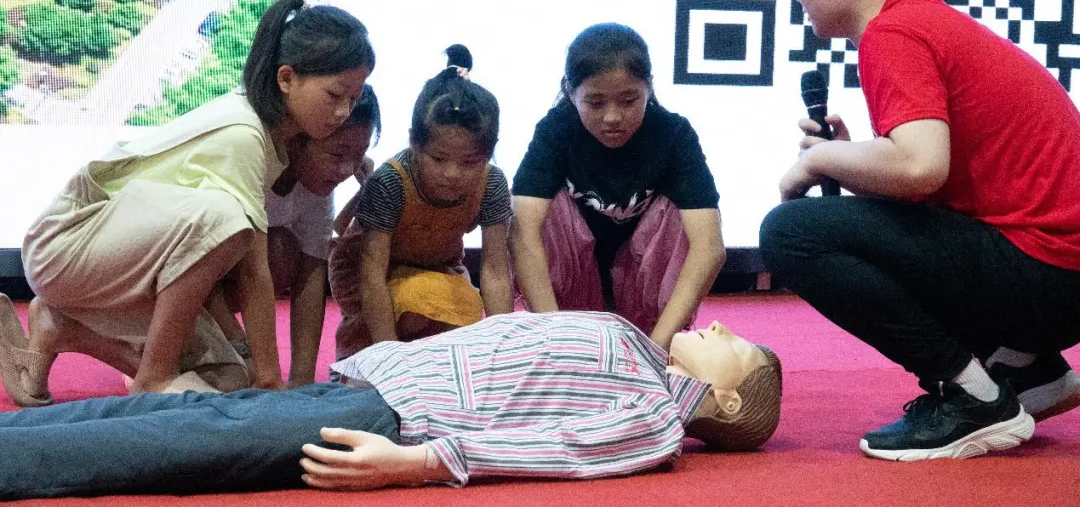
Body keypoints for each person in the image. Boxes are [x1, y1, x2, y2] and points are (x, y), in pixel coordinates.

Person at [758, 0, 1080, 461]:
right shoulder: (922, 19)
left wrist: (819, 161)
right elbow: (931, 183)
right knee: (838, 223)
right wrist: (856, 159)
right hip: (1057, 274)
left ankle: (975, 398)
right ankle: (1030, 373)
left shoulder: (892, 31)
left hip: (1050, 271)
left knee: (790, 232)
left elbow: (920, 167)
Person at [0, 0, 376, 404]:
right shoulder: (244, 134)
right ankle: (154, 375)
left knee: (229, 380)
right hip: (65, 246)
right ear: (286, 79)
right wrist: (270, 382)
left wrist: (269, 375)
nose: (343, 112)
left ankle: (59, 328)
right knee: (226, 218)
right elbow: (253, 272)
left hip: (116, 260)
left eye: (353, 99)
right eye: (334, 95)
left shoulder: (279, 140)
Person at [0, 311, 782, 499]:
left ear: (724, 398)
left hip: (397, 422)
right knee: (173, 418)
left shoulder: (656, 415)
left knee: (195, 437)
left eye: (733, 344)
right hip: (385, 386)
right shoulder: (641, 351)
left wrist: (421, 463)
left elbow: (563, 448)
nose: (718, 326)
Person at [510, 24, 725, 350]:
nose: (612, 118)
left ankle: (655, 337)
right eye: (595, 103)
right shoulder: (556, 130)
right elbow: (523, 234)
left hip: (643, 293)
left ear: (649, 87)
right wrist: (554, 337)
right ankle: (562, 335)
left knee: (689, 216)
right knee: (528, 213)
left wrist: (657, 349)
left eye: (628, 100)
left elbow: (709, 247)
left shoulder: (673, 134)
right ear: (571, 92)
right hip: (573, 296)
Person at [328, 45, 512, 359]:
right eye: (438, 159)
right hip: (366, 271)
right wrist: (390, 359)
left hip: (438, 267)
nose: (452, 174)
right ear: (414, 142)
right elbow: (372, 276)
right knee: (412, 306)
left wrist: (503, 348)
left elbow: (495, 270)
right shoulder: (391, 181)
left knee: (455, 318)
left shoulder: (492, 183)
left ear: (489, 151)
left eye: (469, 162)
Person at [207, 85, 381, 386]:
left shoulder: (317, 186)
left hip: (212, 284)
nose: (346, 170)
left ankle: (202, 344)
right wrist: (248, 356)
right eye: (337, 154)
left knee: (280, 250)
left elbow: (312, 277)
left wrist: (302, 381)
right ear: (298, 139)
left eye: (358, 157)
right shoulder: (250, 161)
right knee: (237, 379)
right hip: (171, 279)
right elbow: (203, 272)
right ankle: (164, 345)